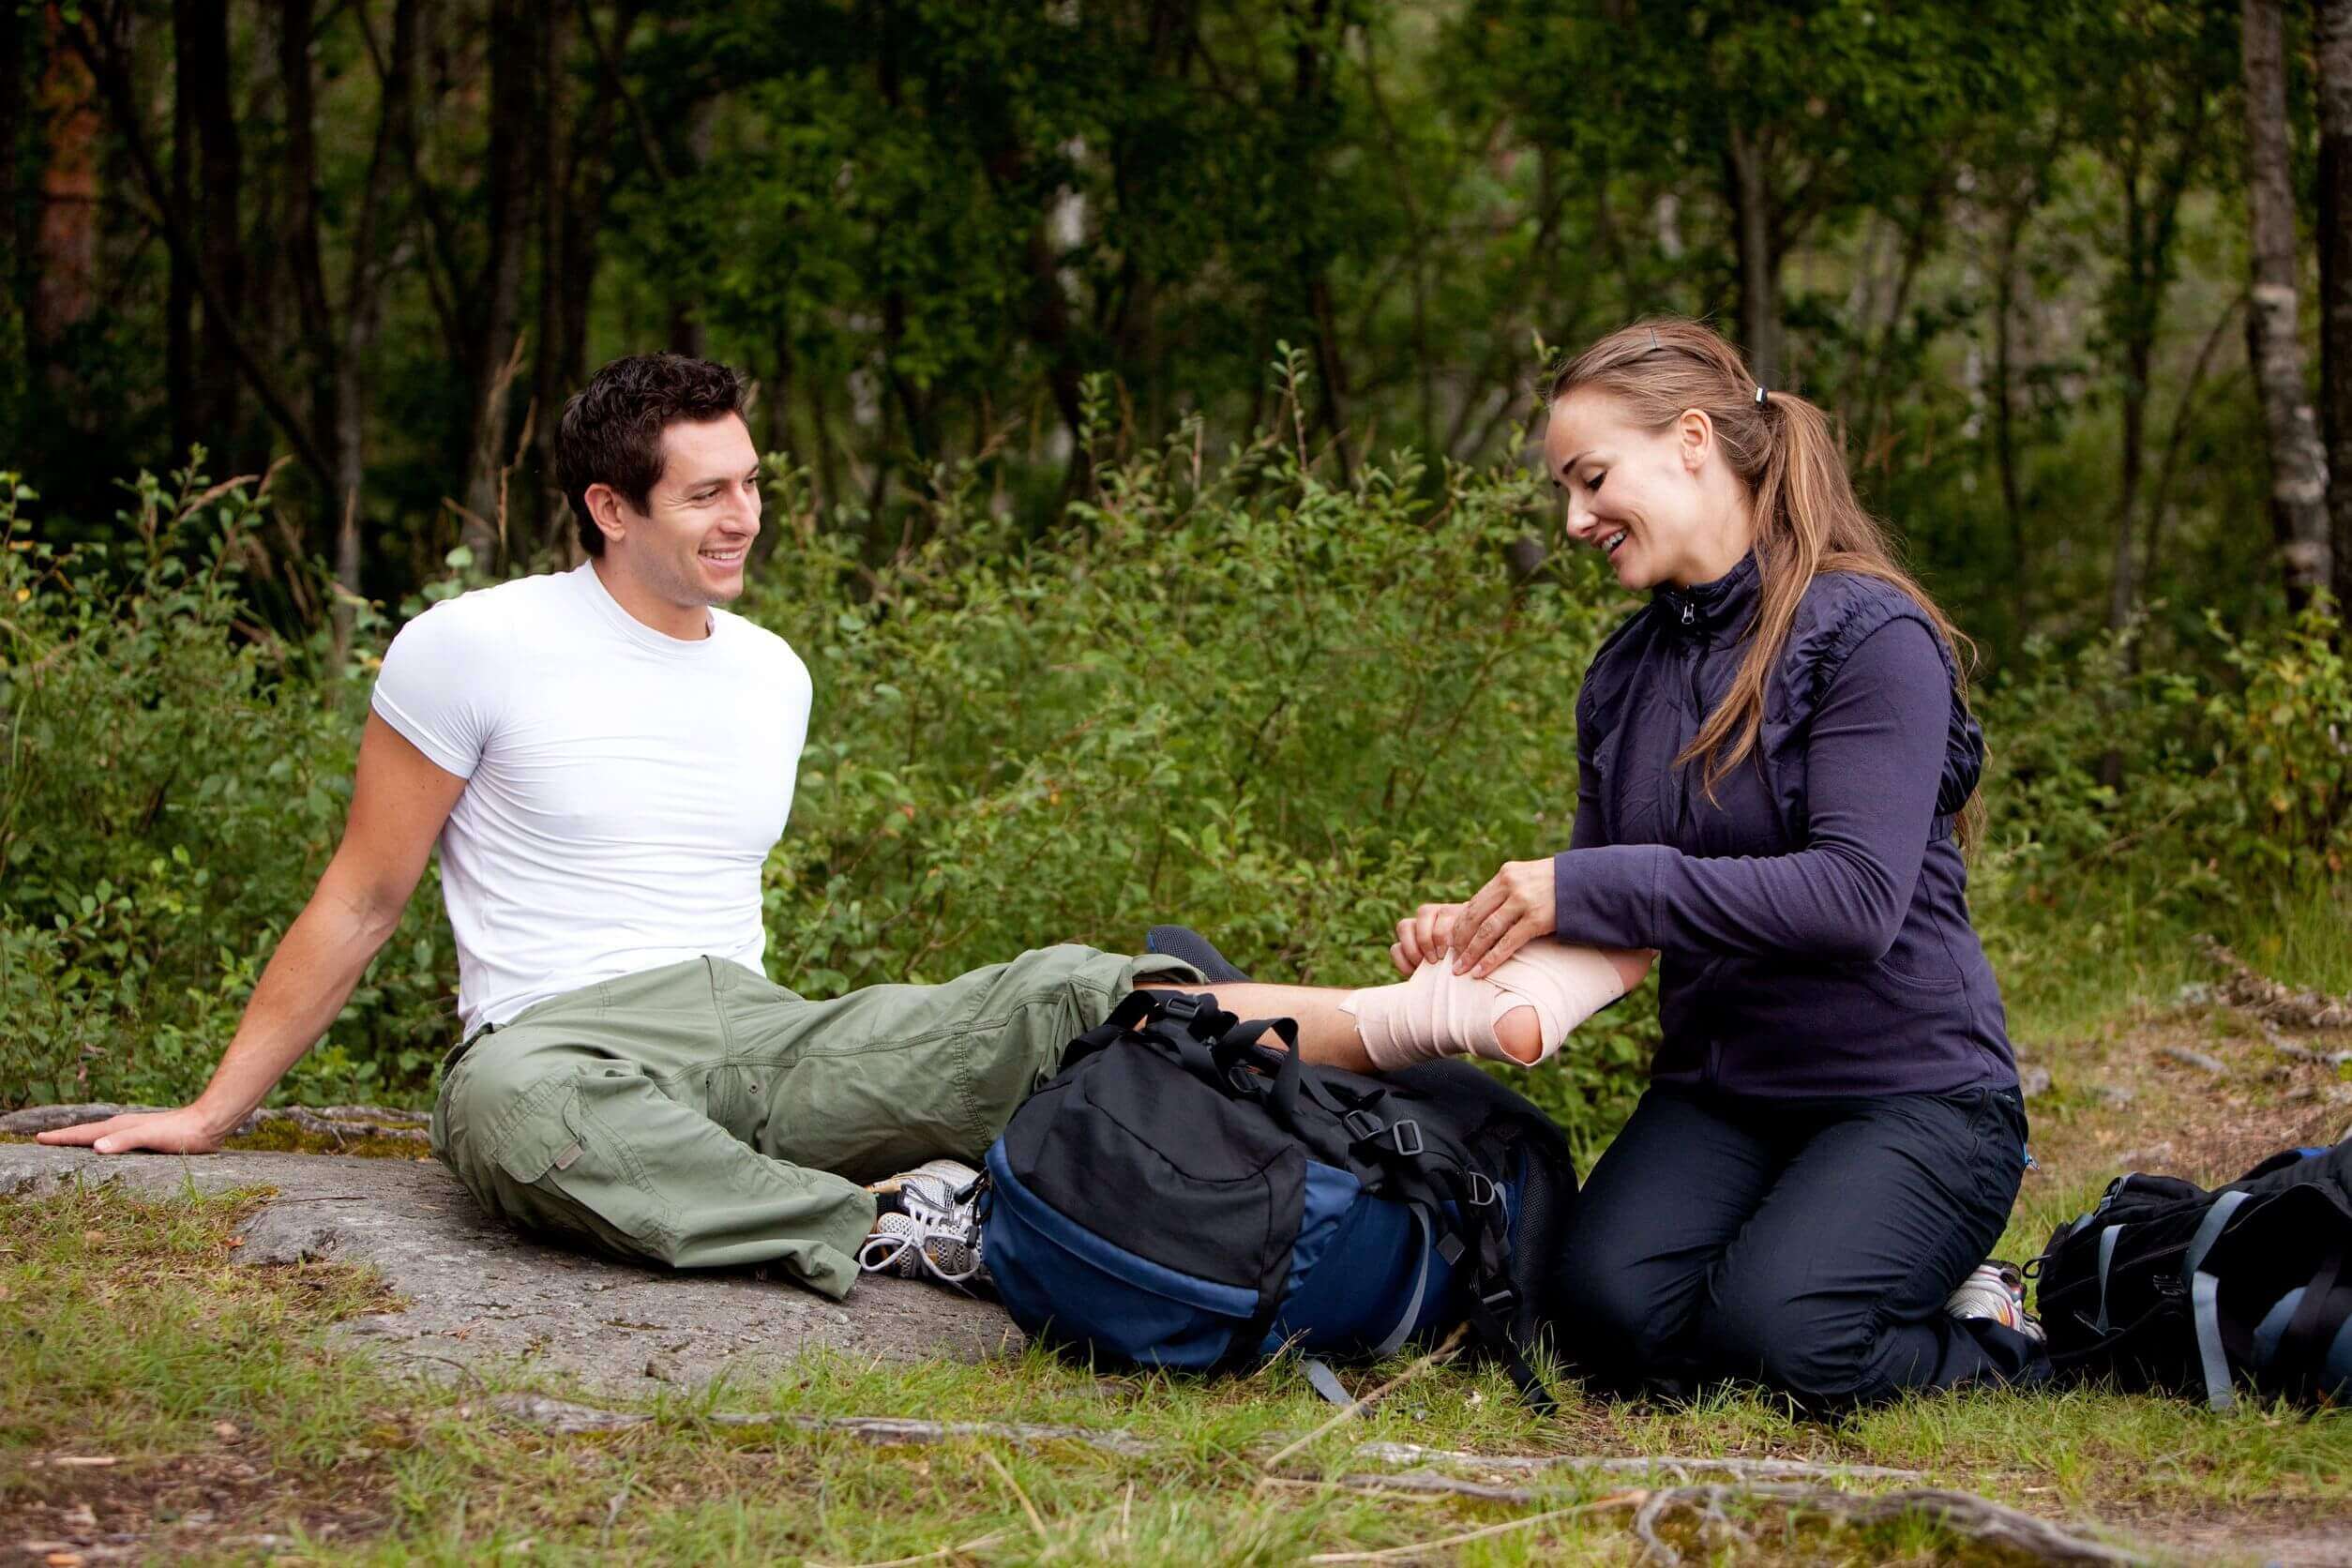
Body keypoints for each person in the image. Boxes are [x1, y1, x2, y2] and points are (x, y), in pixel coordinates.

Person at [38, 353, 1644, 1299]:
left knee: (1057, 987)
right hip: (567, 1042)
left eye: (752, 482)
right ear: (608, 508)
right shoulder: (472, 645)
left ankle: (1417, 1027)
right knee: (504, 1117)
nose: (744, 516)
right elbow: (363, 895)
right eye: (703, 495)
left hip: (757, 1031)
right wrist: (208, 1110)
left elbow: (735, 944)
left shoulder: (773, 672)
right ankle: (888, 1228)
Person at [1389, 317, 2042, 1407]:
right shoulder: (1623, 674)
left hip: (1914, 1095)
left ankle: (2001, 1331)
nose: (1575, 517)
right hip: (1724, 1094)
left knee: (1788, 1342)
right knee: (1599, 1324)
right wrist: (1478, 938)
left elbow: (1855, 900)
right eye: (1566, 488)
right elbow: (1612, 919)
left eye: (1592, 478)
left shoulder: (1868, 633)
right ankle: (1794, 1272)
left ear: (1692, 438)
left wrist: (1580, 885)